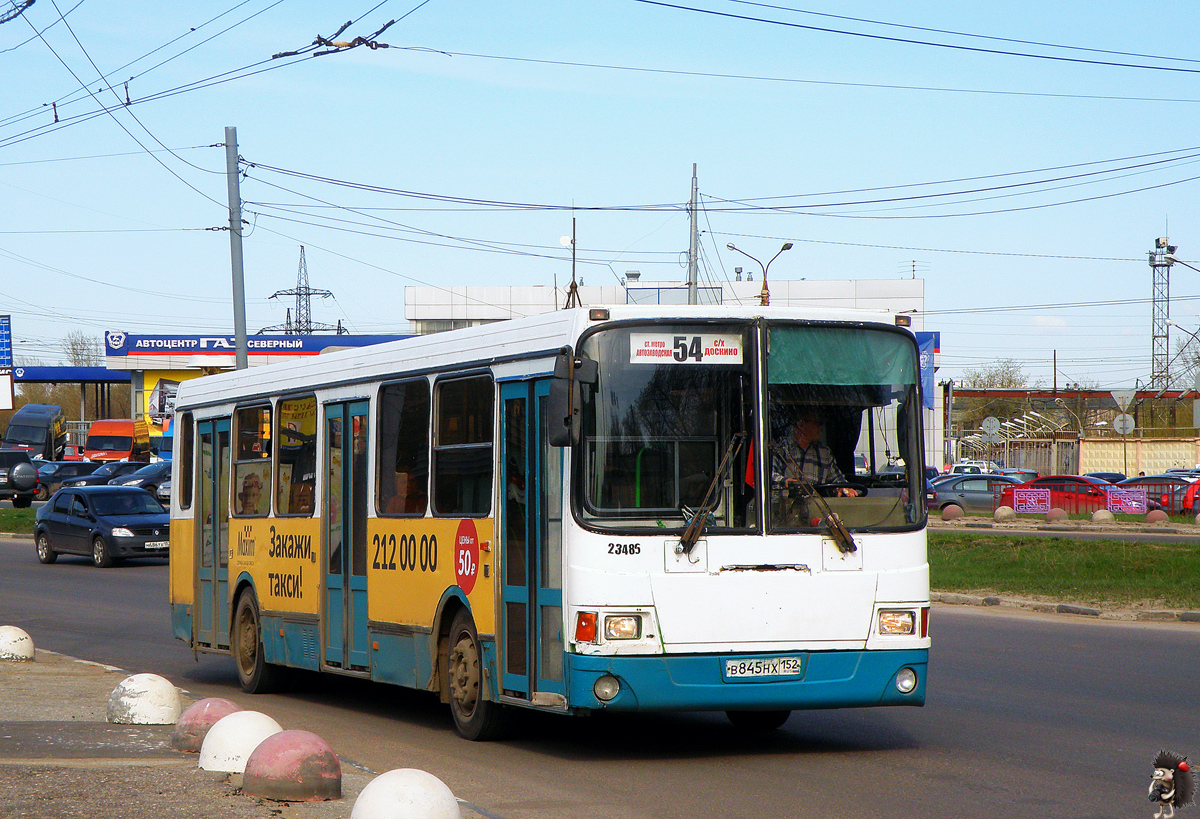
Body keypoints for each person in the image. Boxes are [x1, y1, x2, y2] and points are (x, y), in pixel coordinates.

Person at [771, 408, 858, 497]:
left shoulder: (824, 453)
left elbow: (837, 481)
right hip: (786, 508)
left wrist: (843, 489)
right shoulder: (781, 448)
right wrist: (788, 483)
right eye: (818, 423)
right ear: (801, 424)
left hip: (817, 508)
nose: (821, 428)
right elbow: (768, 476)